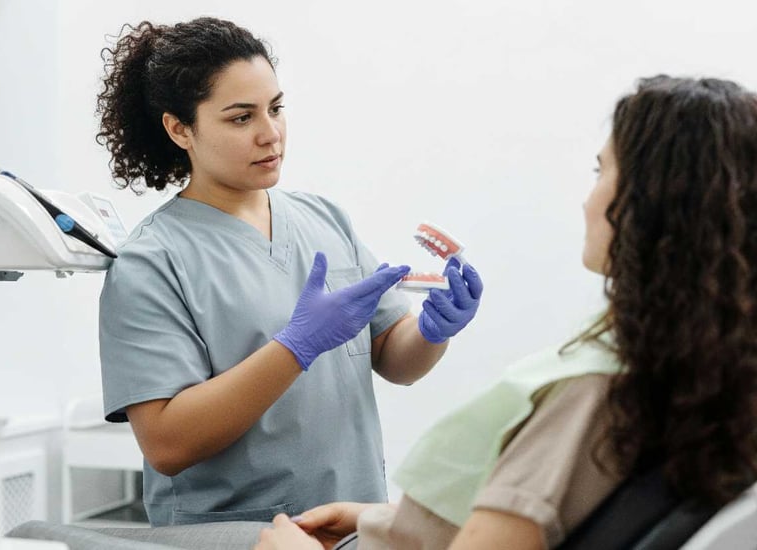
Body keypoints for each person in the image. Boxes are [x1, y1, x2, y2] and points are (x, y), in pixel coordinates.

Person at [254, 75, 757, 550]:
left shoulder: (593, 392)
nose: (587, 197)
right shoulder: (704, 368)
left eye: (601, 171)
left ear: (645, 204)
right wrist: (376, 519)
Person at [95, 17, 483, 527]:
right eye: (241, 118)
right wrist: (295, 347)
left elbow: (395, 358)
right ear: (180, 128)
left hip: (352, 525)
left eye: (276, 109)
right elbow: (167, 443)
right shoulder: (151, 260)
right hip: (245, 535)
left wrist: (433, 331)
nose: (270, 133)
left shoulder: (323, 218)